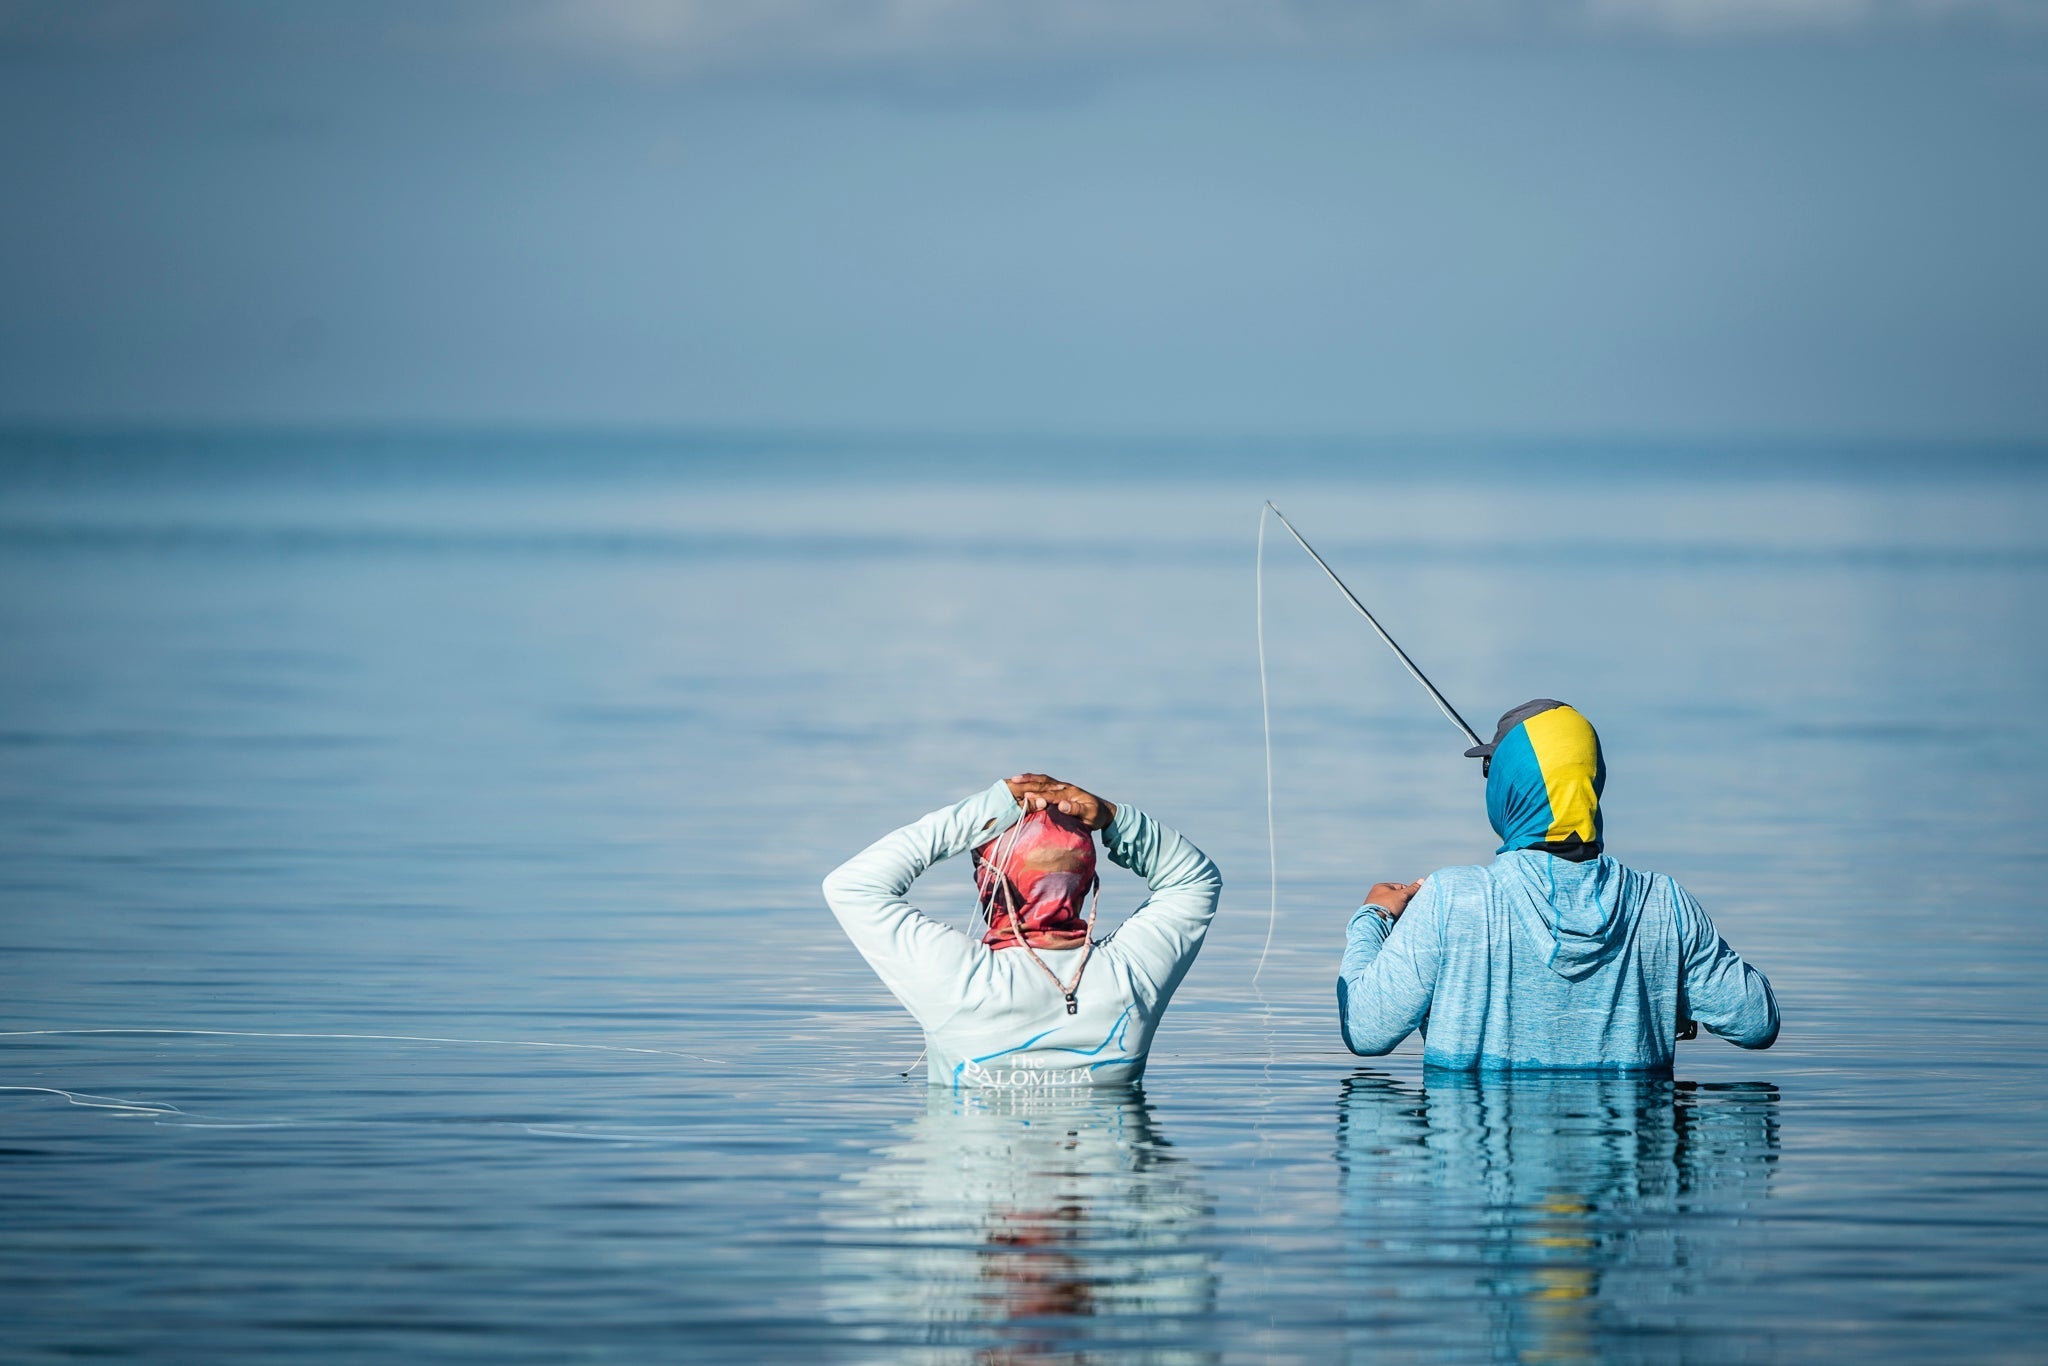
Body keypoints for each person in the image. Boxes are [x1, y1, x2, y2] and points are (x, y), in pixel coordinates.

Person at [1337, 699, 1778, 1070]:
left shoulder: (1451, 898)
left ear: (1509, 784)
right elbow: (1758, 1022)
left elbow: (1365, 1030)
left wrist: (1374, 918)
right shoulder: (1663, 903)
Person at [822, 774, 1221, 1089]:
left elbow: (852, 886)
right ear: (1085, 883)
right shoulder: (1132, 974)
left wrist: (990, 808)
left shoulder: (957, 977)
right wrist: (1114, 818)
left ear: (989, 880)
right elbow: (1194, 880)